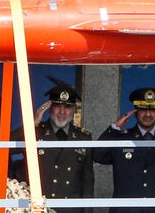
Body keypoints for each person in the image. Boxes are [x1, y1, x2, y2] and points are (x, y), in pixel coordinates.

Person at [93, 87, 155, 213]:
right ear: (135, 111)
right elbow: (97, 155)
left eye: (152, 109)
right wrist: (114, 128)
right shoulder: (121, 138)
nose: (148, 114)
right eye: (143, 109)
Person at [12, 84, 94, 213]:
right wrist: (32, 123)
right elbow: (5, 149)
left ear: (73, 110)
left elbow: (87, 181)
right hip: (39, 207)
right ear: (49, 108)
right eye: (57, 106)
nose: (62, 112)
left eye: (67, 107)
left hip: (70, 209)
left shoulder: (83, 136)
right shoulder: (35, 131)